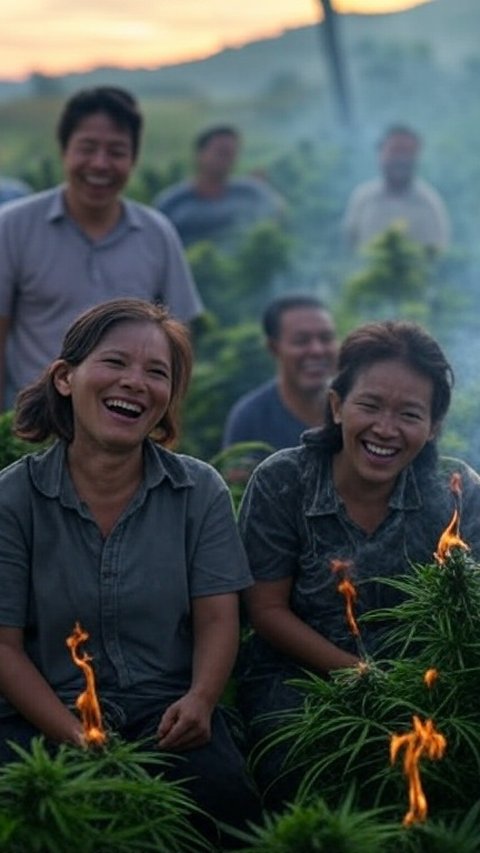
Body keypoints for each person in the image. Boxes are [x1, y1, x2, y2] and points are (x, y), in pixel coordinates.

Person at [0, 298, 260, 846]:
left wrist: (202, 700)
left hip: (168, 716)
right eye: (116, 362)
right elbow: (4, 648)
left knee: (227, 809)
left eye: (157, 372)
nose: (135, 382)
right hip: (45, 714)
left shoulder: (200, 491)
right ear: (66, 379)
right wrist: (76, 735)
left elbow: (218, 619)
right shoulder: (14, 498)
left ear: (168, 399)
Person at [236, 319, 480, 808]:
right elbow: (266, 611)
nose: (385, 429)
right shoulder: (284, 481)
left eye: (410, 414)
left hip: (425, 683)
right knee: (301, 778)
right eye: (369, 405)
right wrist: (364, 677)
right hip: (300, 678)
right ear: (336, 406)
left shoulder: (454, 491)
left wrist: (421, 688)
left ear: (432, 428)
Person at [0, 86, 203, 412]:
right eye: (87, 148)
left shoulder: (156, 233)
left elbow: (178, 343)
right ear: (64, 151)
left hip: (124, 423)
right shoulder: (12, 226)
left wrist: (166, 426)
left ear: (133, 159)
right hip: (34, 424)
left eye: (116, 152)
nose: (100, 163)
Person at [222, 294, 338, 452]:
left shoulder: (356, 407)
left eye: (326, 338)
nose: (317, 350)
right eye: (301, 341)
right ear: (273, 348)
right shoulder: (250, 419)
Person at [153, 125, 285, 249]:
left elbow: (279, 215)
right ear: (200, 154)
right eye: (221, 152)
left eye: (232, 153)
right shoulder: (172, 203)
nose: (228, 159)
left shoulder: (250, 192)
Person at [343, 125, 450, 253]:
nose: (401, 159)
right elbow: (350, 245)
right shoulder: (363, 198)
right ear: (380, 153)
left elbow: (436, 253)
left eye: (407, 152)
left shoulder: (429, 203)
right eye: (395, 151)